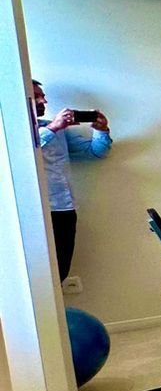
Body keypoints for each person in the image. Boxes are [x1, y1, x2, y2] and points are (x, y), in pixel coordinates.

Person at [32, 80, 112, 280]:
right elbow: (25, 153)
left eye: (43, 96)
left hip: (64, 209)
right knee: (38, 275)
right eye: (36, 97)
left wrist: (101, 130)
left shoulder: (57, 131)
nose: (44, 101)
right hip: (33, 213)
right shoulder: (10, 133)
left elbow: (95, 152)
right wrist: (53, 127)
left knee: (61, 272)